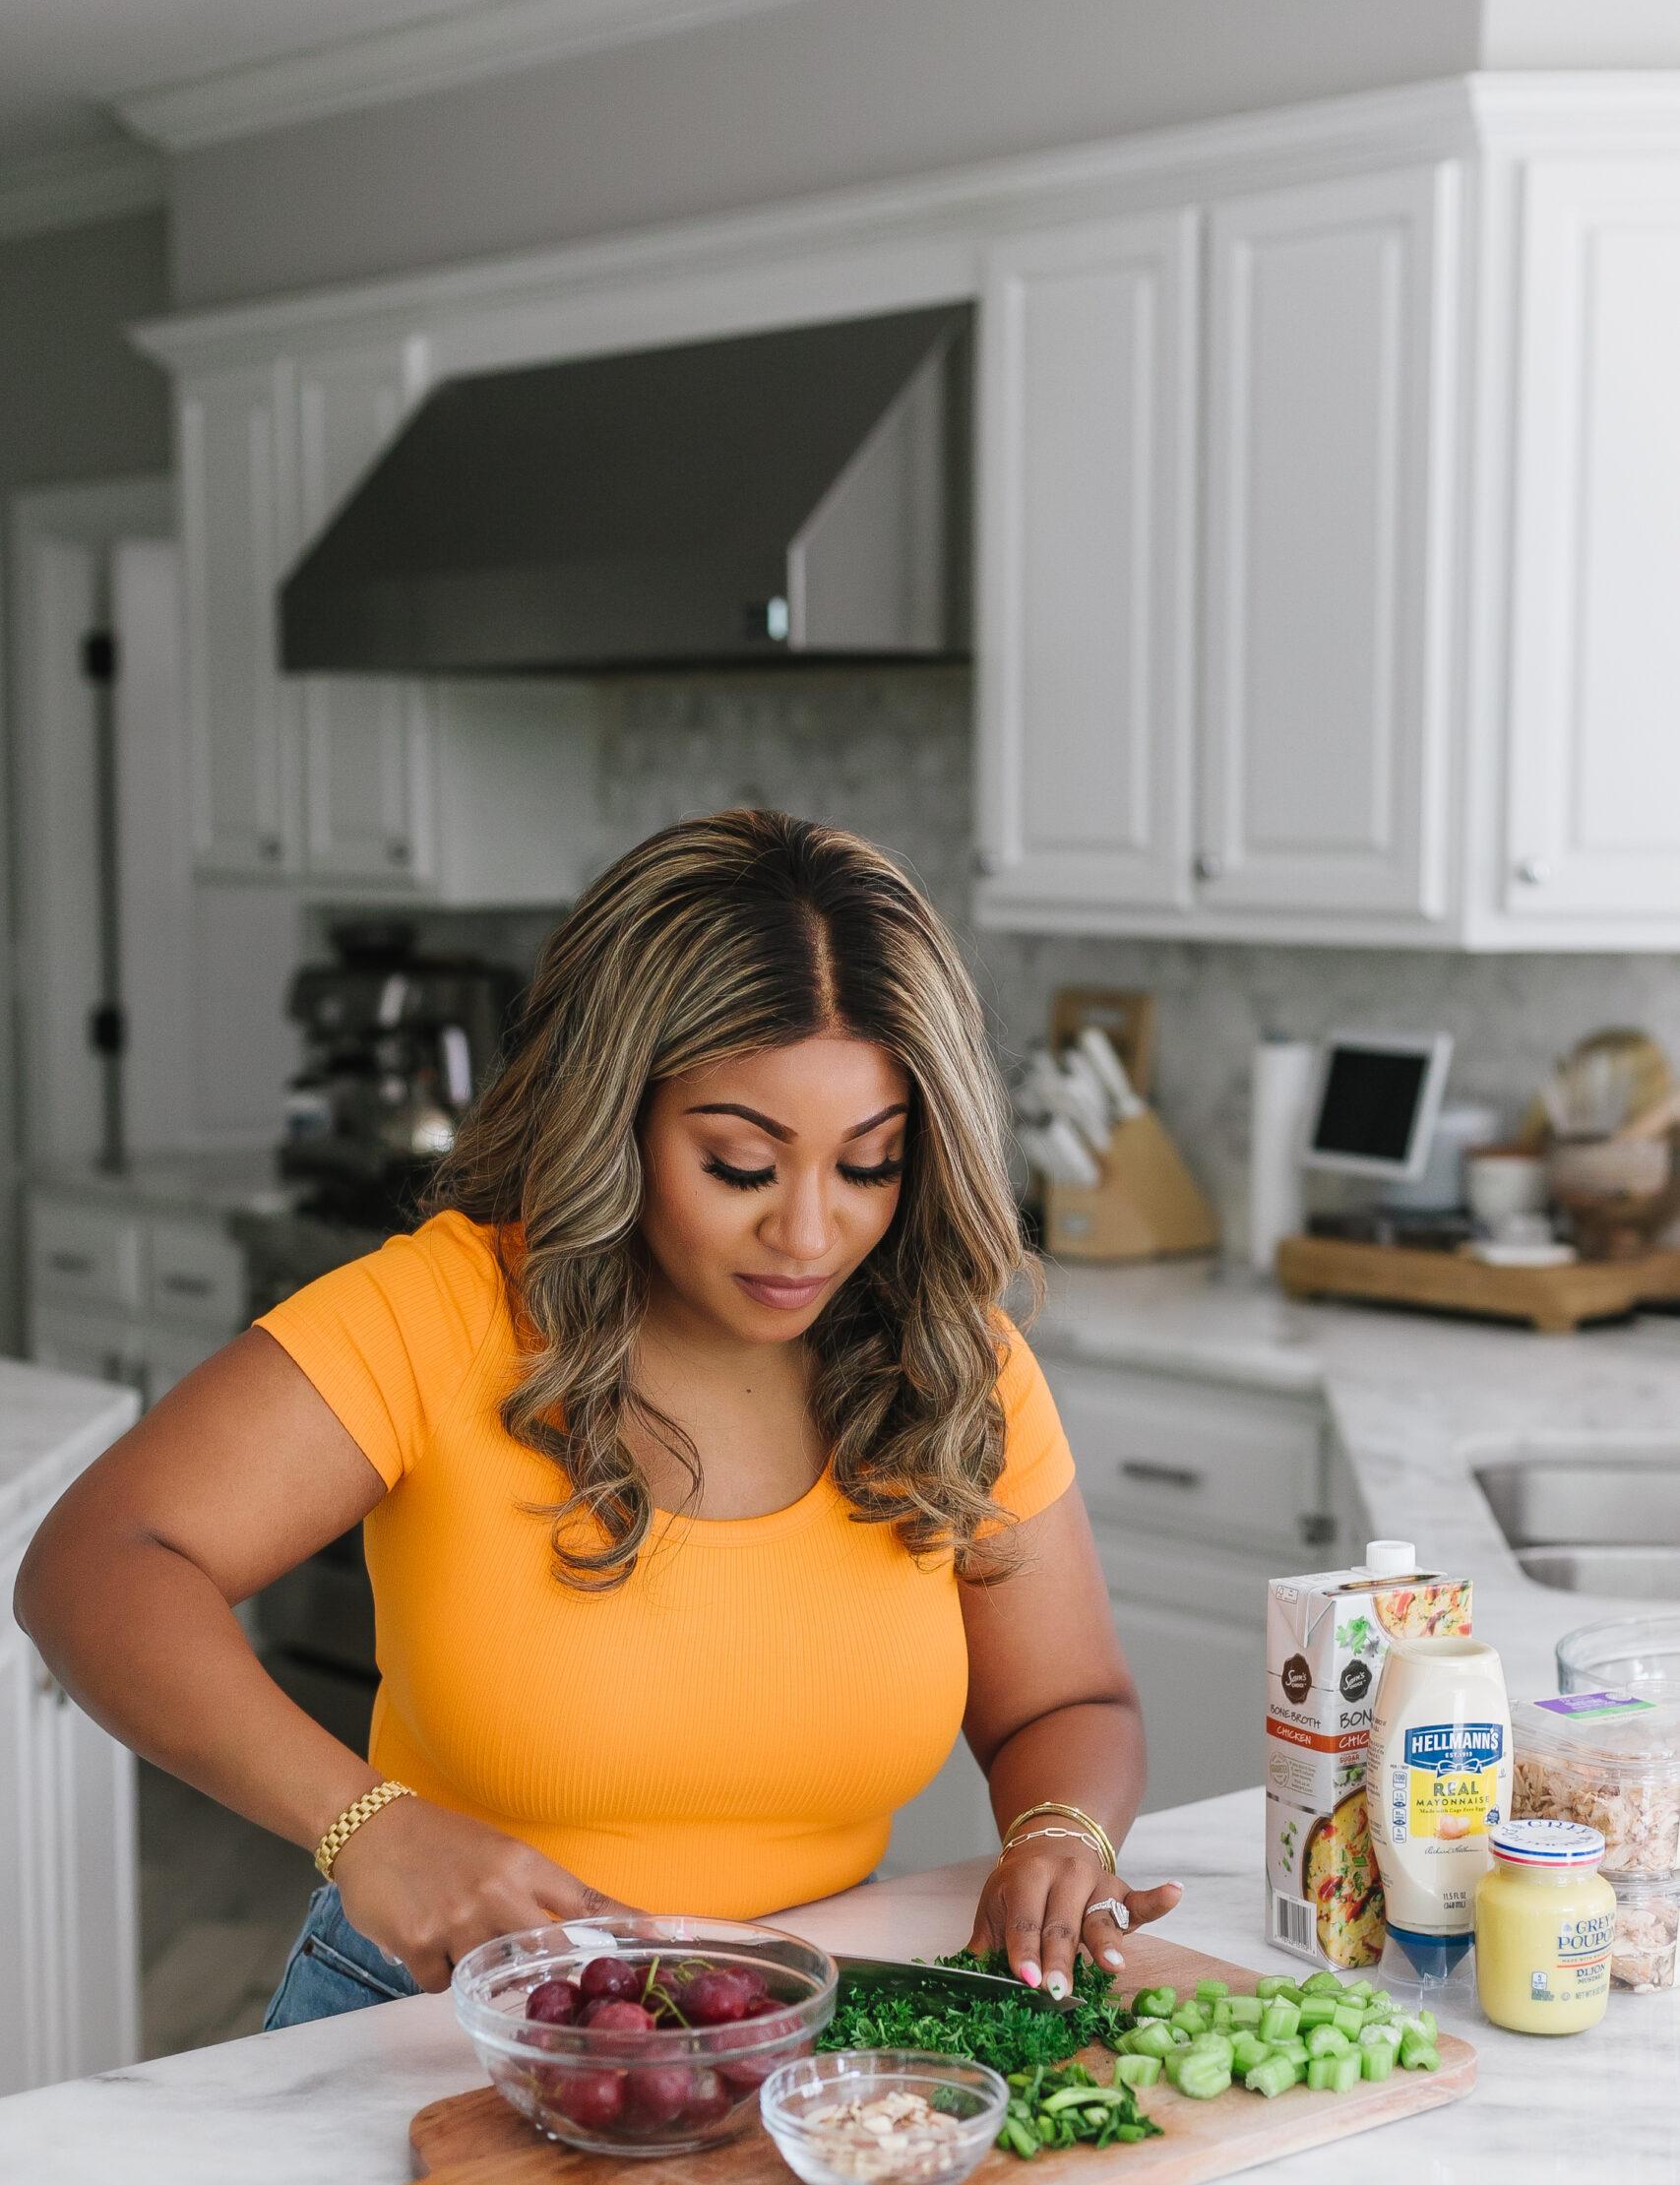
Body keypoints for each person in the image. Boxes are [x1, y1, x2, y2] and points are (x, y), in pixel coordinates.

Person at [15, 810, 1180, 2029]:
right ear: (615, 1113)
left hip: (809, 2015)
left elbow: (1069, 1705)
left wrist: (1058, 1833)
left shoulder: (952, 1364)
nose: (809, 1231)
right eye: (740, 1163)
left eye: (870, 1164)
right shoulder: (449, 1309)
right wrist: (367, 1825)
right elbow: (93, 1565)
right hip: (439, 2024)